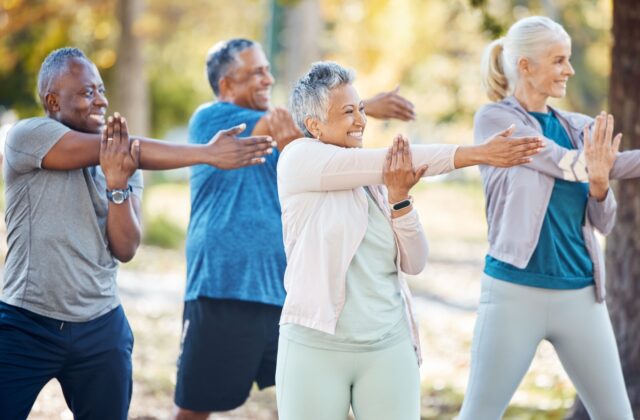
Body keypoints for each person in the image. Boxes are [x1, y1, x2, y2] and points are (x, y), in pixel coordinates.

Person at [0, 47, 274, 420]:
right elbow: (123, 149)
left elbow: (125, 248)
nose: (100, 100)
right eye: (86, 92)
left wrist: (117, 185)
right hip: (25, 323)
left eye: (100, 90)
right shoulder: (28, 136)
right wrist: (206, 154)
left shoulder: (127, 164)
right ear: (52, 101)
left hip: (100, 327)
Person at [174, 38, 426, 419]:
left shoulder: (296, 138)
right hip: (224, 286)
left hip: (285, 290)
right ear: (226, 85)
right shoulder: (212, 120)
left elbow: (318, 130)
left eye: (267, 69)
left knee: (301, 396)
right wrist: (367, 106)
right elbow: (291, 124)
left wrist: (355, 111)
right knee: (197, 406)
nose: (267, 78)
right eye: (256, 71)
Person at [274, 61, 542, 420]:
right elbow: (399, 160)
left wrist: (400, 199)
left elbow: (414, 263)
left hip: (388, 343)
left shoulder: (375, 180)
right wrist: (478, 153)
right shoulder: (298, 159)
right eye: (348, 112)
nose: (361, 120)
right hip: (315, 345)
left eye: (362, 110)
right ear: (314, 126)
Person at [458, 16, 640, 419]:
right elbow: (555, 161)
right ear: (526, 65)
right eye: (559, 60)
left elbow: (604, 219)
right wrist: (598, 165)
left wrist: (599, 183)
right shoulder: (495, 122)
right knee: (478, 415)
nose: (569, 71)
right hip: (513, 293)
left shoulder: (580, 129)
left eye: (569, 60)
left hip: (581, 296)